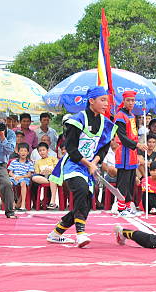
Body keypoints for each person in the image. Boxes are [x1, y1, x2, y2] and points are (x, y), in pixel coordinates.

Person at [47, 86, 117, 247]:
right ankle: (80, 234)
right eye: (103, 100)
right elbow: (70, 149)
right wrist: (88, 163)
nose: (107, 103)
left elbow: (104, 148)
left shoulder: (105, 123)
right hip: (73, 164)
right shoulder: (77, 120)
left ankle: (56, 233)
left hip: (88, 167)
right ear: (91, 101)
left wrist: (94, 163)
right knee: (82, 190)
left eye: (107, 100)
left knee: (85, 201)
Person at [113, 90, 148, 217]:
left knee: (131, 180)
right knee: (123, 180)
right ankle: (121, 208)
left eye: (133, 100)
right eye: (128, 100)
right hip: (124, 152)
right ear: (124, 101)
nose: (131, 103)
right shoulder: (120, 116)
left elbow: (133, 135)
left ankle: (128, 206)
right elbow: (122, 137)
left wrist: (137, 149)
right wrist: (137, 145)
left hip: (132, 152)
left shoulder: (132, 115)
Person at [31, 142, 59, 209]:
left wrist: (50, 171)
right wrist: (42, 172)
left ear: (47, 150)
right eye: (40, 151)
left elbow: (57, 168)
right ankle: (51, 182)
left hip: (52, 175)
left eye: (43, 150)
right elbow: (37, 172)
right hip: (42, 177)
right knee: (34, 178)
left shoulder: (53, 158)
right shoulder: (38, 162)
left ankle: (52, 202)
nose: (42, 152)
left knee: (52, 177)